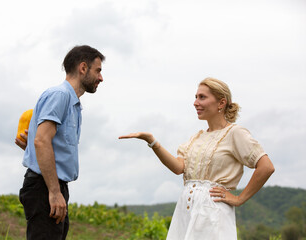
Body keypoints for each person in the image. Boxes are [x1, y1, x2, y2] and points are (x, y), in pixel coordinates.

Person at [119, 77, 275, 240]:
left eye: (202, 97)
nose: (195, 102)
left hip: (212, 213)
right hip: (186, 212)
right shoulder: (196, 138)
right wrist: (152, 141)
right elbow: (178, 168)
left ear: (221, 103)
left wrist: (239, 198)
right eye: (195, 97)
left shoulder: (235, 133)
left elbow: (266, 166)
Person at [15, 45, 105, 240]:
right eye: (98, 70)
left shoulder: (73, 103)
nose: (101, 78)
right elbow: (41, 141)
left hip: (53, 185)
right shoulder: (60, 95)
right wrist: (54, 193)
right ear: (83, 68)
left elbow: (43, 141)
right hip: (45, 186)